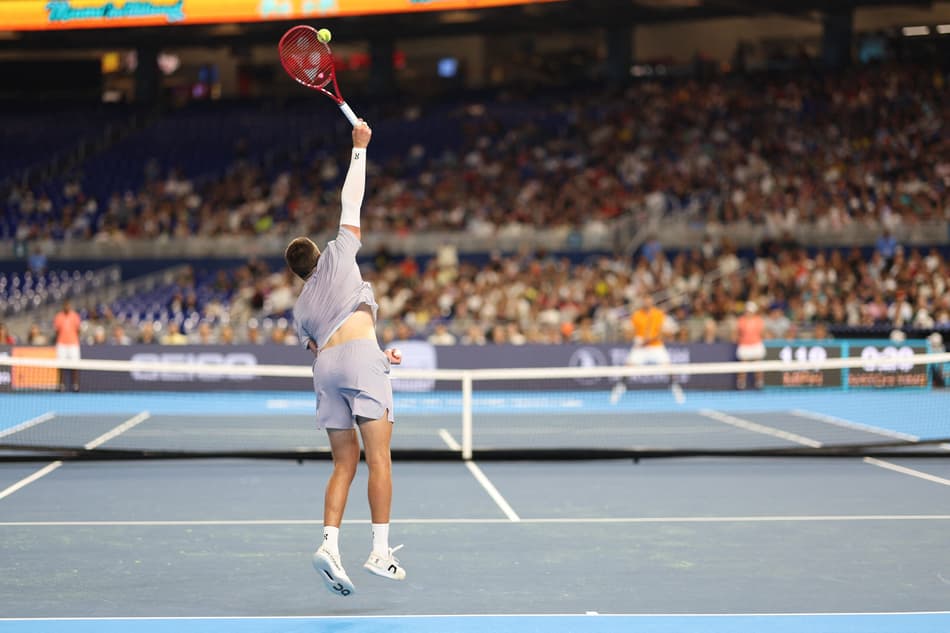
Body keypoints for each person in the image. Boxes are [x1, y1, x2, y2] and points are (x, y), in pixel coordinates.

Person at [285, 121, 405, 598]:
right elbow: (350, 201)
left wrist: (379, 353)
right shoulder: (339, 254)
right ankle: (380, 552)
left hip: (326, 371)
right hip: (358, 360)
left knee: (343, 466)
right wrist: (359, 149)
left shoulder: (299, 308)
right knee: (381, 460)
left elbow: (322, 347)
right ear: (318, 253)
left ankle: (329, 545)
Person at [611, 294, 671, 403]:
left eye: (649, 301)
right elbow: (631, 332)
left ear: (652, 302)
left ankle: (674, 386)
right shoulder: (636, 315)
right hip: (640, 347)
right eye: (645, 301)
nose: (647, 303)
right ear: (643, 302)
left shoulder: (659, 314)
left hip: (656, 346)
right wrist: (636, 339)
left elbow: (662, 332)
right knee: (628, 366)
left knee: (668, 367)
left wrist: (649, 340)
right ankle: (621, 387)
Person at [735, 301, 766, 389]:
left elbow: (762, 333)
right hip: (744, 346)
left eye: (750, 311)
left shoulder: (759, 320)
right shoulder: (741, 320)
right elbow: (737, 333)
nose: (748, 313)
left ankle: (759, 383)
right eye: (747, 311)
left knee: (758, 365)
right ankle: (741, 384)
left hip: (756, 345)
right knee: (743, 366)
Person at [53, 299, 82, 391]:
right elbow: (57, 331)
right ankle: (60, 385)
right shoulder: (58, 316)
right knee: (60, 365)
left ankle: (75, 385)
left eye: (68, 305)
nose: (66, 307)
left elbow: (78, 330)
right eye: (65, 305)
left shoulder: (75, 316)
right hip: (61, 344)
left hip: (73, 344)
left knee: (75, 365)